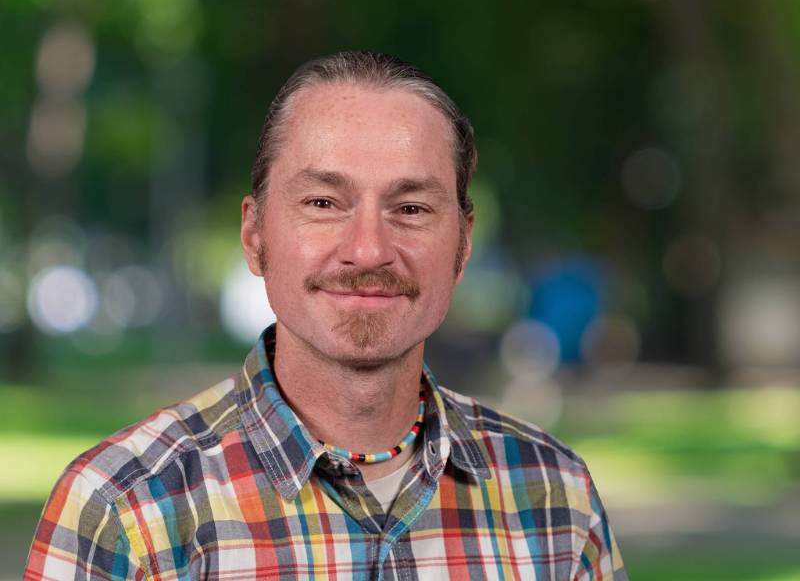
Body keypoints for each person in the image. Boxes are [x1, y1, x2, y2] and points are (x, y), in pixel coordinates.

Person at [25, 51, 626, 580]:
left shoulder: (556, 500)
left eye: (411, 208)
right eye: (322, 202)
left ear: (463, 246)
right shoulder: (125, 513)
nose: (368, 249)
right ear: (255, 234)